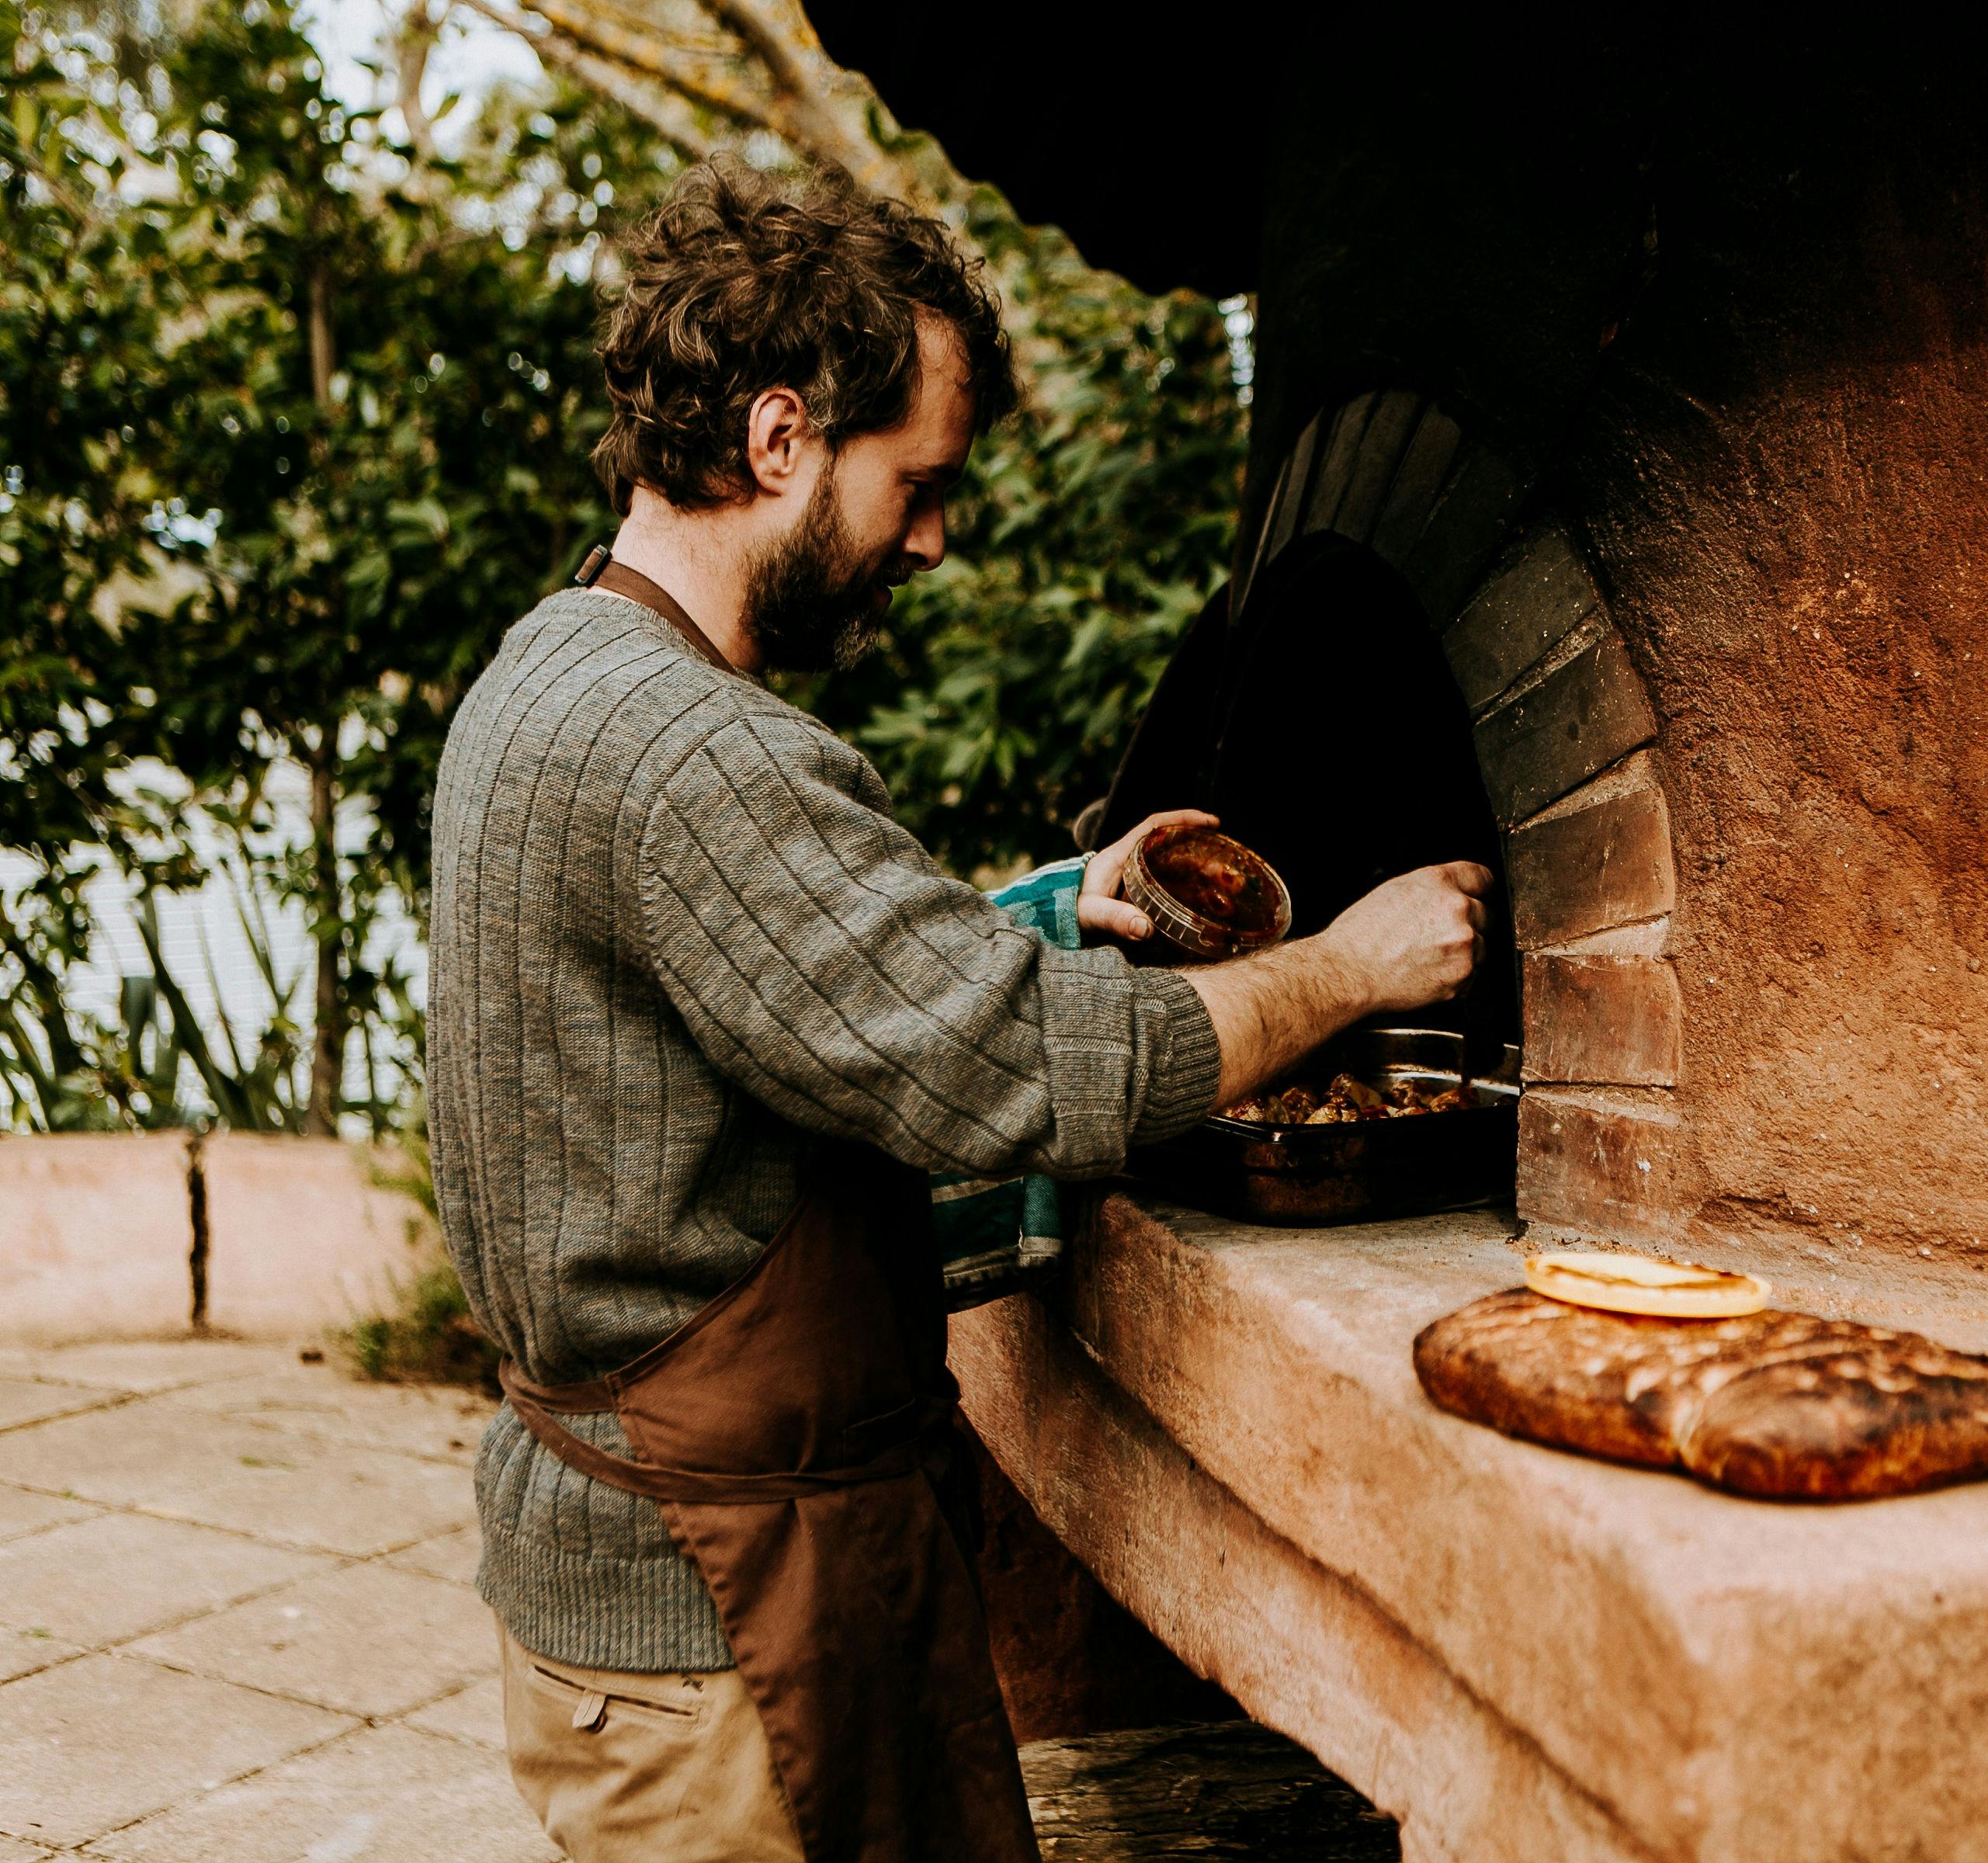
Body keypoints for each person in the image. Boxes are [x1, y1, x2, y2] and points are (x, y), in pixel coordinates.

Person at [425, 158, 1488, 1863]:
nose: (934, 536)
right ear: (782, 440)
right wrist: (1356, 965)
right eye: (915, 481)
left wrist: (1063, 905)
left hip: (693, 1580)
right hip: (721, 1626)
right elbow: (1014, 1069)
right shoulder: (694, 752)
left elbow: (778, 987)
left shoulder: (558, 668)